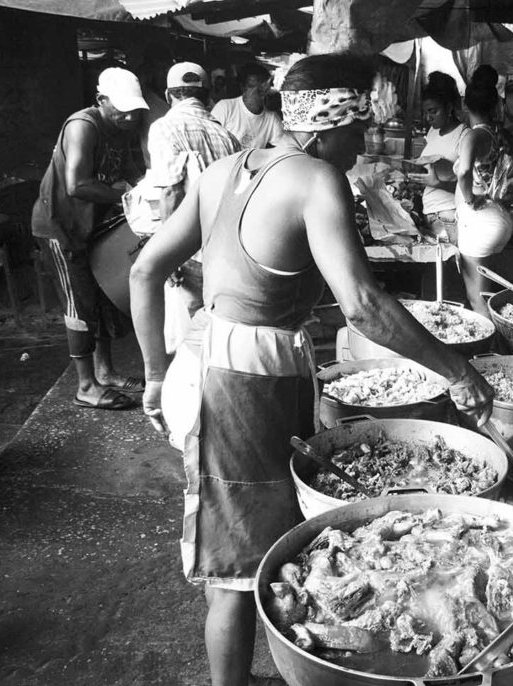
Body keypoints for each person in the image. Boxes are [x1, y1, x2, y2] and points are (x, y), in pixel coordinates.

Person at [129, 53, 494, 686]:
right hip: (242, 383)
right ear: (328, 124)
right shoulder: (317, 180)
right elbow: (365, 307)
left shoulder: (223, 171)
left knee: (259, 550)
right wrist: (456, 370)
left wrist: (156, 375)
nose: (360, 148)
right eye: (358, 132)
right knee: (237, 573)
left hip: (208, 359)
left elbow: (145, 270)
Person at [31, 67, 148, 410]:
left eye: (133, 109)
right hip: (60, 227)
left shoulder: (122, 126)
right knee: (78, 303)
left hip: (91, 227)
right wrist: (125, 195)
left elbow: (130, 172)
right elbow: (77, 184)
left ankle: (105, 372)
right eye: (121, 108)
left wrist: (148, 188)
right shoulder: (84, 125)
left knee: (99, 300)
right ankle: (85, 386)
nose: (128, 115)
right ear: (101, 101)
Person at [145, 62, 241, 343]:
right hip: (225, 249)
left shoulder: (164, 128)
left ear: (168, 96)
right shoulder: (226, 135)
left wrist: (168, 253)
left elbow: (170, 193)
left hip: (190, 250)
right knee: (221, 327)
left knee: (193, 332)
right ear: (208, 97)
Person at [454, 66, 513, 317]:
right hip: (498, 215)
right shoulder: (497, 134)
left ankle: (494, 354)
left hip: (479, 220)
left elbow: (463, 172)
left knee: (477, 301)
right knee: (488, 298)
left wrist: (468, 199)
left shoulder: (473, 136)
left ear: (464, 105)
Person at [408, 71, 466, 242]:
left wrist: (438, 184)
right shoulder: (432, 133)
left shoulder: (464, 135)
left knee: (452, 267)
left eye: (433, 111)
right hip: (430, 215)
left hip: (449, 215)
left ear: (449, 107)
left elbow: (471, 187)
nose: (428, 117)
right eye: (426, 112)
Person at [211, 62, 285, 149]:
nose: (260, 91)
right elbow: (211, 141)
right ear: (243, 88)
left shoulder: (272, 118)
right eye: (253, 86)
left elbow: (283, 147)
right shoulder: (225, 108)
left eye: (263, 88)